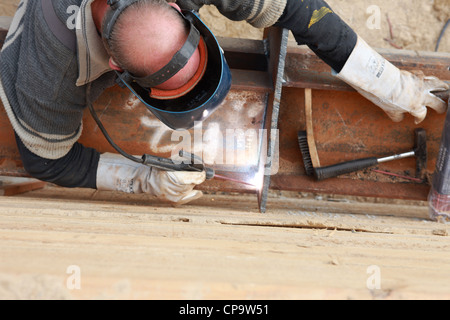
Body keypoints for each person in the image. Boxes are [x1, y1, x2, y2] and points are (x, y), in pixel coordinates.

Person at [0, 0, 448, 206]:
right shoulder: (45, 72)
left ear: (179, 9)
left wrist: (385, 81)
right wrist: (142, 181)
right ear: (117, 69)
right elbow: (47, 163)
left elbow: (294, 7)